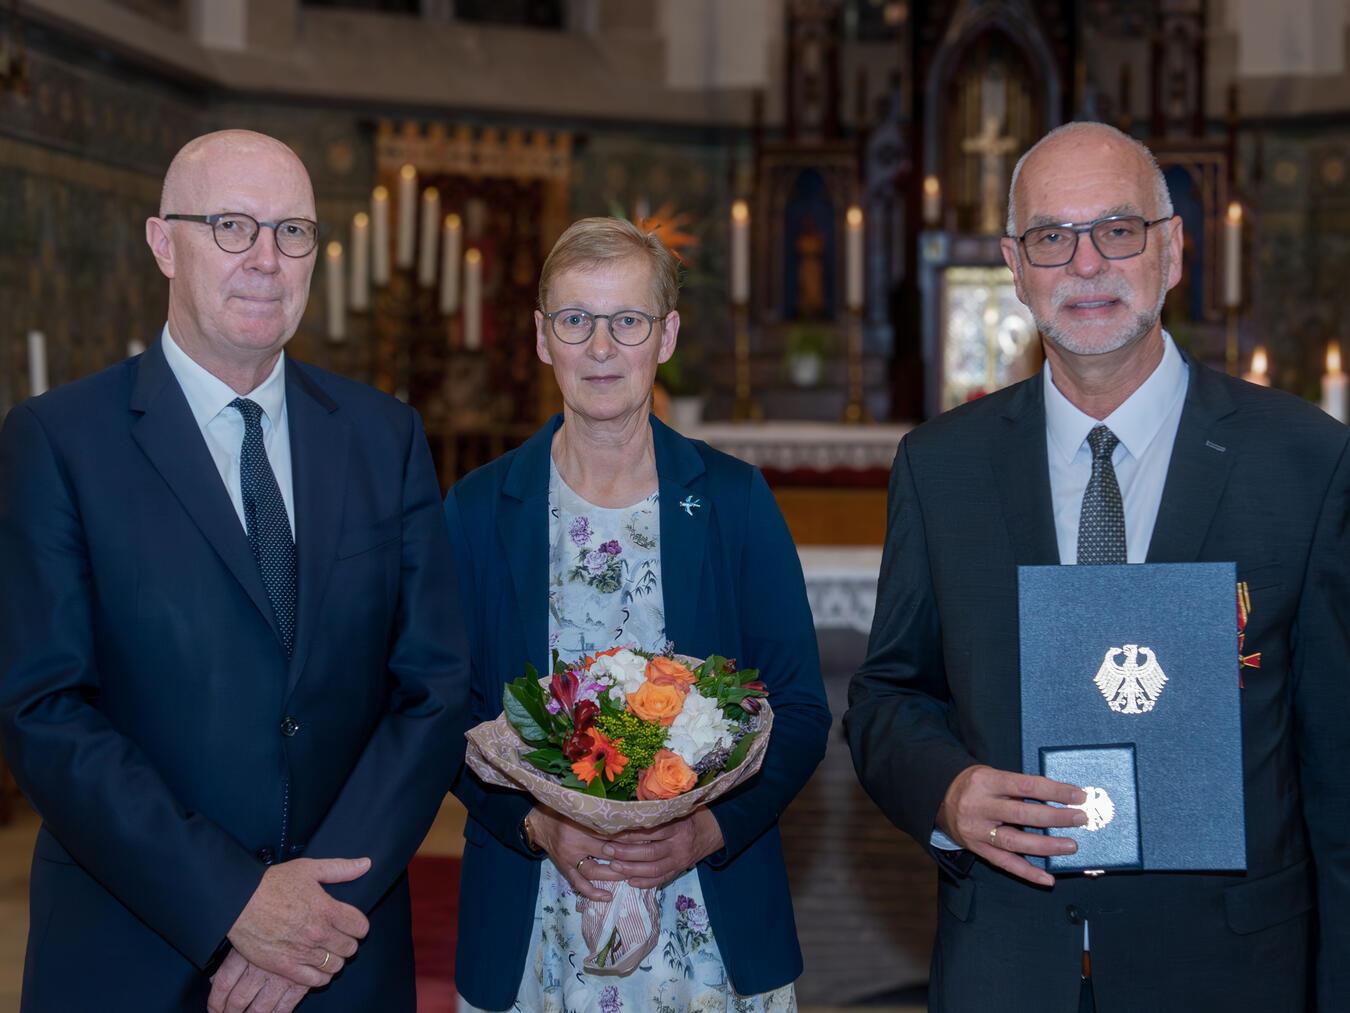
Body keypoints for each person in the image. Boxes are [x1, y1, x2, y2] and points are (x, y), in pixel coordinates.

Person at [846, 121, 1349, 1013]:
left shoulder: (1304, 462)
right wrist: (949, 792)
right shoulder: (942, 465)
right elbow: (889, 695)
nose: (1085, 264)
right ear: (1014, 262)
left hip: (1231, 970)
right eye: (1051, 236)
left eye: (1118, 230)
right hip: (1008, 962)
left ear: (1174, 249)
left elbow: (1340, 772)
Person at [0, 129, 470, 1011]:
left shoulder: (384, 437)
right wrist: (234, 901)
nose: (266, 258)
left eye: (292, 232)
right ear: (161, 241)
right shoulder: (61, 442)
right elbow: (45, 710)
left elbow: (434, 688)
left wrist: (313, 910)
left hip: (344, 949)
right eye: (231, 226)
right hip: (135, 942)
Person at [444, 217, 831, 1011]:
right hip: (536, 912)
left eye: (627, 321)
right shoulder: (480, 508)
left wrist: (703, 833)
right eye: (575, 320)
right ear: (544, 337)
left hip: (707, 920)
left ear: (667, 335)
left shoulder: (733, 501)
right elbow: (440, 714)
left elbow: (799, 709)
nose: (600, 347)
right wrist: (538, 825)